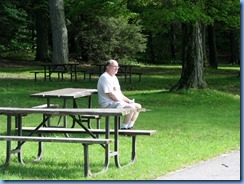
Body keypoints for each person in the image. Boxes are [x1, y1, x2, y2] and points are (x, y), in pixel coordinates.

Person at [97, 59, 142, 130]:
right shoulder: (105, 77)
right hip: (108, 104)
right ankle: (124, 128)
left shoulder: (114, 77)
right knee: (131, 107)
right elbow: (110, 94)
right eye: (114, 66)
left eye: (117, 66)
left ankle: (129, 127)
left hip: (116, 102)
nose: (117, 68)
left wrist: (129, 101)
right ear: (107, 67)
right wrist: (122, 102)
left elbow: (119, 93)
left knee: (138, 106)